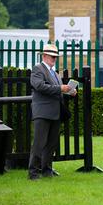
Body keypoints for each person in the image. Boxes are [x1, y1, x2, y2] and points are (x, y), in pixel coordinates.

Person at [28, 44, 77, 180]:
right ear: (44, 56)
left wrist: (69, 92)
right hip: (42, 112)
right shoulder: (38, 69)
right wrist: (61, 88)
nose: (54, 59)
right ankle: (33, 173)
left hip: (54, 112)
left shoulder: (55, 73)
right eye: (52, 56)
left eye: (56, 57)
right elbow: (39, 86)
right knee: (39, 144)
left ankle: (47, 170)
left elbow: (56, 92)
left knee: (51, 144)